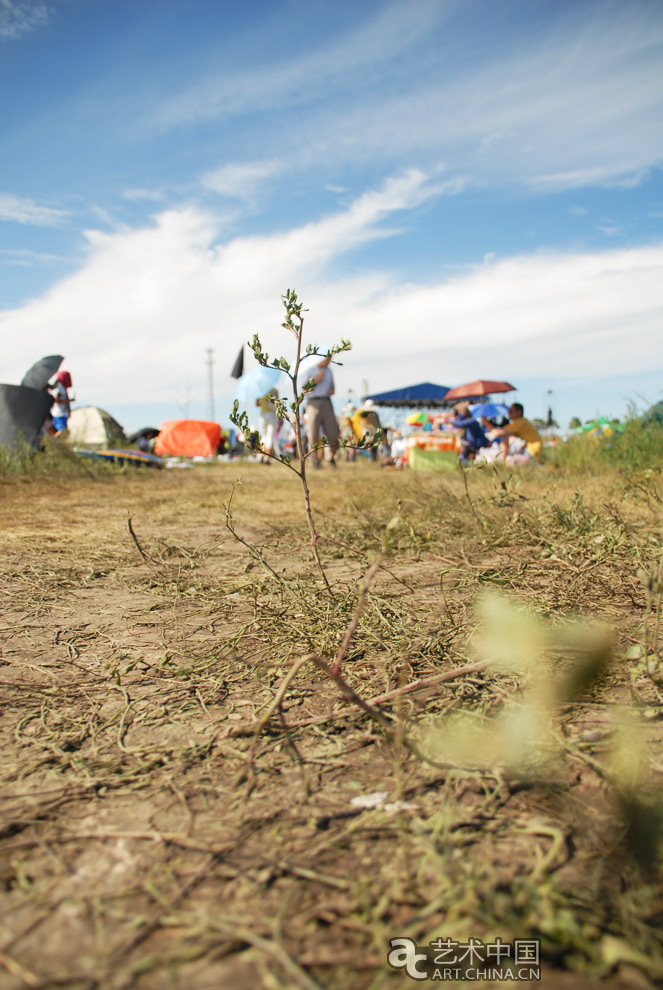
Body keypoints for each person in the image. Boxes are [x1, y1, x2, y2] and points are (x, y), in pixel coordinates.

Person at [302, 354, 339, 468]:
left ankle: (331, 457)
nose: (328, 361)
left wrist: (332, 390)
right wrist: (317, 379)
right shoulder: (309, 370)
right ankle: (314, 461)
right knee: (313, 432)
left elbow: (333, 388)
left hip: (327, 402)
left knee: (332, 431)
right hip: (313, 403)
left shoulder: (329, 371)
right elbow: (304, 388)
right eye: (327, 359)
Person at [256, 389, 281, 462]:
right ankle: (267, 457)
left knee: (264, 436)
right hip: (271, 414)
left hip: (262, 415)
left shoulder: (260, 391)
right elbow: (277, 404)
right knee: (270, 436)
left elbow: (257, 404)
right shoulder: (274, 391)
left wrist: (263, 402)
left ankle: (261, 456)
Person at [48, 370, 73, 435]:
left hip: (62, 414)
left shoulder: (62, 388)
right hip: (59, 414)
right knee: (61, 433)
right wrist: (69, 401)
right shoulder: (59, 387)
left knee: (62, 432)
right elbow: (56, 400)